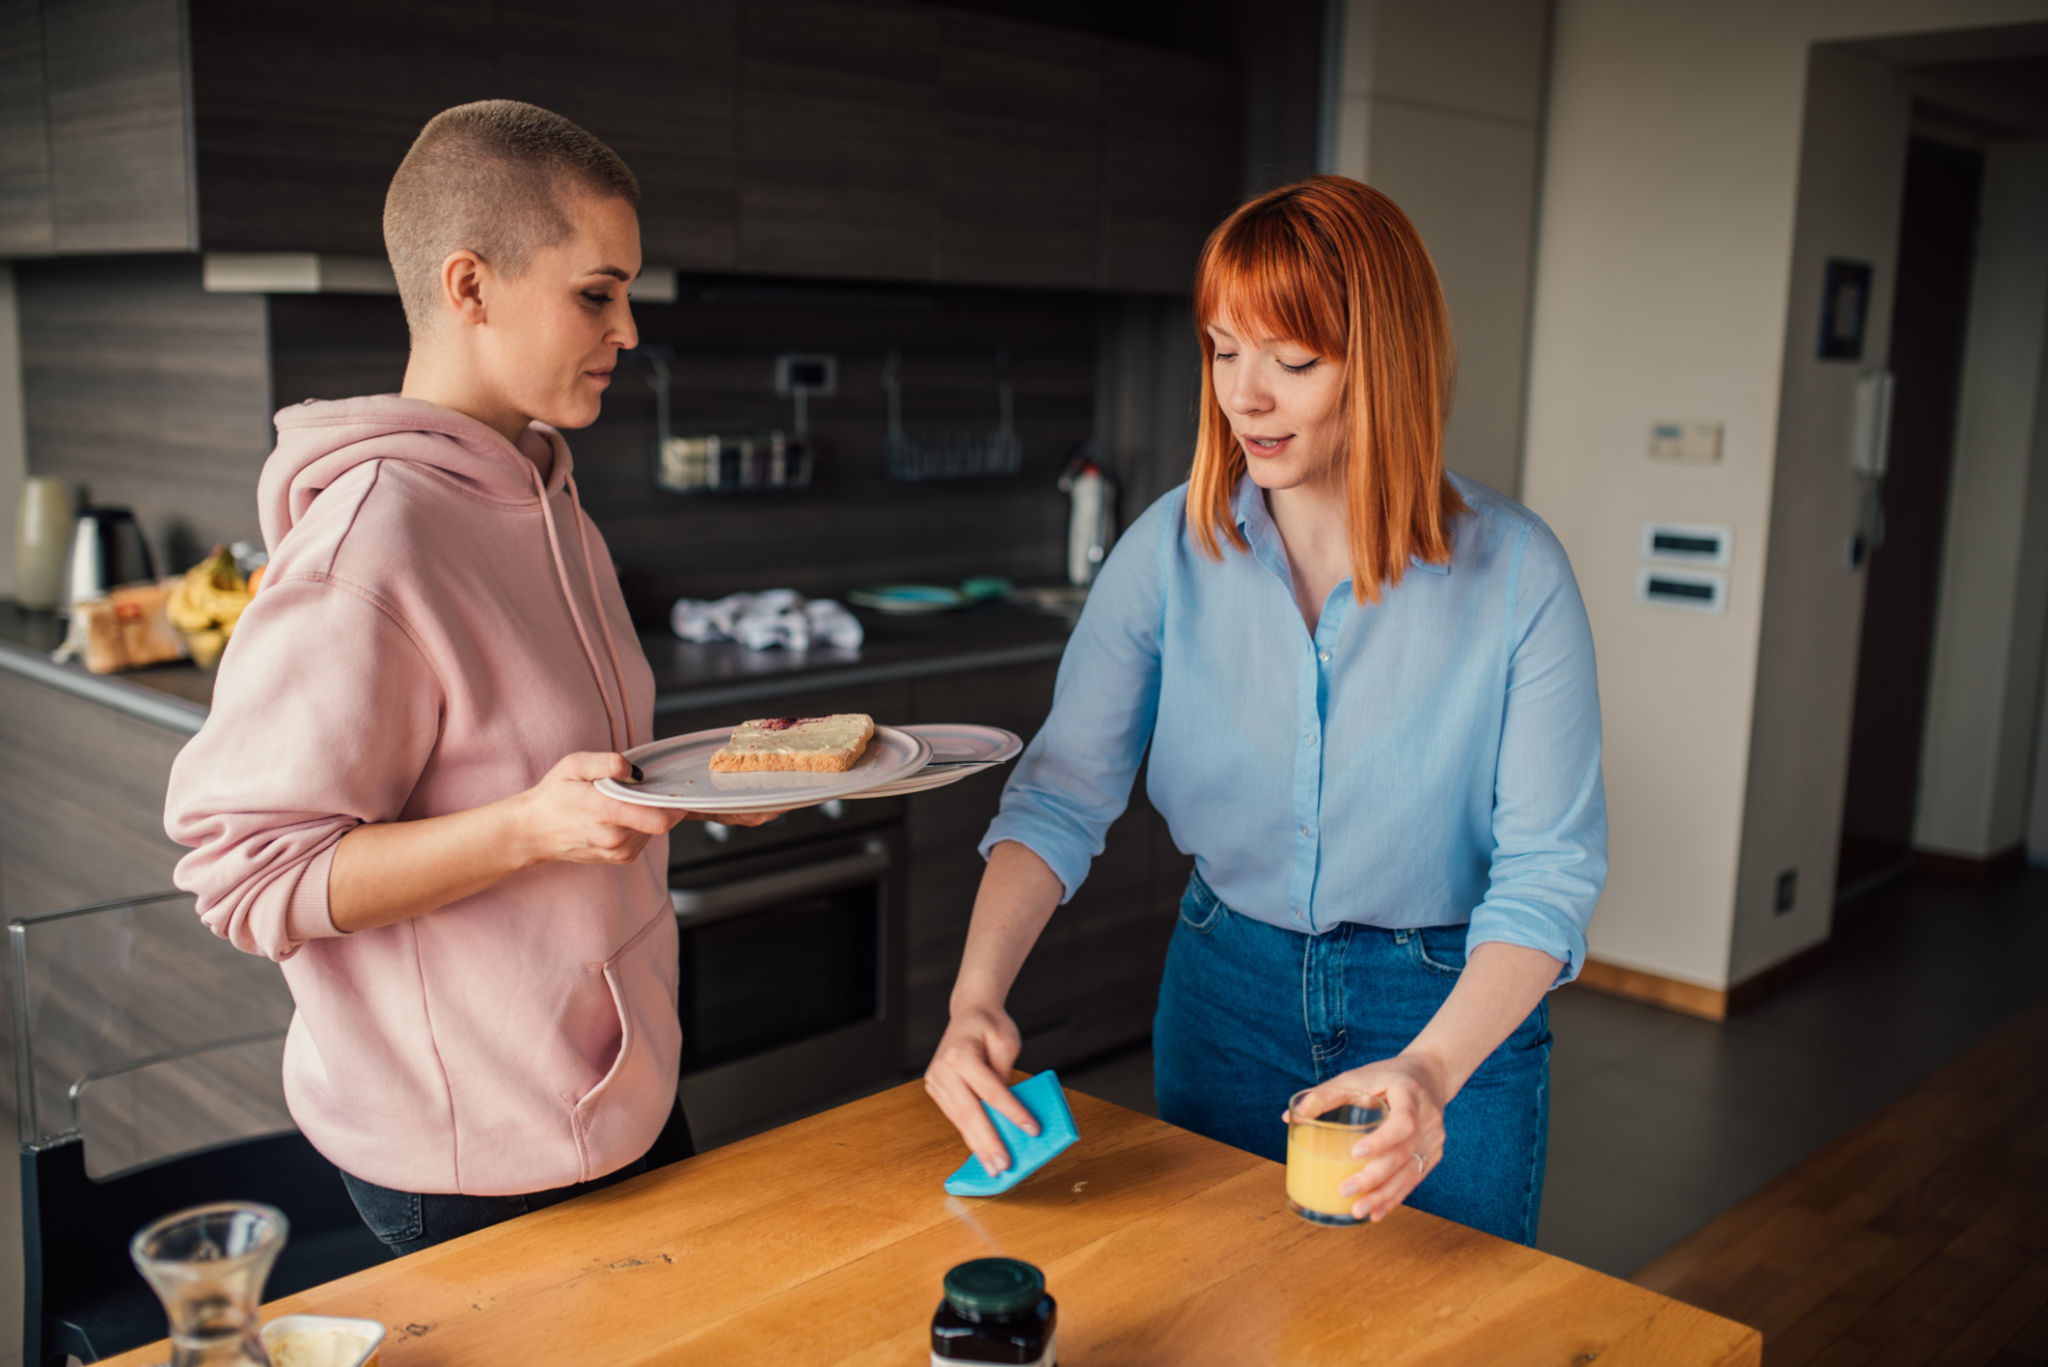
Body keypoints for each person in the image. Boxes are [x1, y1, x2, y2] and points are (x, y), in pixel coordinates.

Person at [922, 175, 1606, 1246]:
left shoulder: (1517, 572)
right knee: (1225, 1308)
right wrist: (974, 998)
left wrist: (1431, 1066)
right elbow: (1059, 795)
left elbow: (1546, 875)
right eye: (1221, 349)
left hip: (1444, 1004)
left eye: (1291, 361)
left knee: (1441, 1325)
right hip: (1223, 990)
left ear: (1380, 367)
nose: (1244, 395)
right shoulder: (1166, 548)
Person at [164, 100, 767, 1255]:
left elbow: (553, 777)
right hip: (474, 1156)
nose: (628, 328)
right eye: (597, 293)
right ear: (470, 286)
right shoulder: (370, 543)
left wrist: (681, 782)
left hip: (614, 1094)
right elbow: (247, 877)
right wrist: (532, 828)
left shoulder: (550, 497)